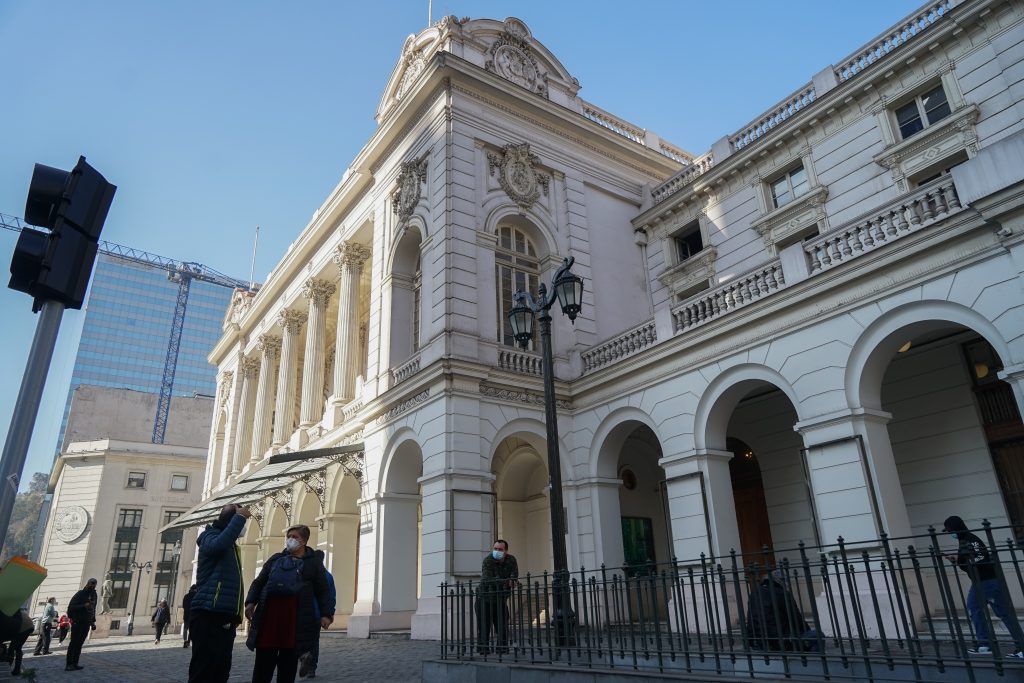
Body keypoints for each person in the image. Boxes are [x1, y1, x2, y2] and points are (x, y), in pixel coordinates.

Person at [245, 524, 333, 683]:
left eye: (295, 537)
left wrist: (326, 614)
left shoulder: (313, 564)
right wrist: (250, 602)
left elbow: (323, 590)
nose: (291, 540)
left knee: (287, 668)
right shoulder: (276, 559)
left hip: (294, 621)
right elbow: (259, 582)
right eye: (289, 536)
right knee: (262, 667)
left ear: (304, 541)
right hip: (269, 619)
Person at [943, 515, 1024, 657]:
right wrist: (957, 560)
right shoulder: (964, 540)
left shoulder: (970, 539)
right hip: (980, 582)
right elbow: (969, 560)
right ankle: (985, 644)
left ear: (956, 528)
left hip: (987, 581)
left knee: (1003, 613)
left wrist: (963, 561)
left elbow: (980, 558)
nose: (950, 534)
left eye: (950, 531)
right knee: (975, 609)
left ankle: (1016, 646)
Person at [188, 503, 251, 683]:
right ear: (231, 522)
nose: (243, 528)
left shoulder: (230, 544)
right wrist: (239, 518)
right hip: (208, 613)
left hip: (224, 615)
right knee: (204, 668)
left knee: (221, 668)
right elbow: (217, 546)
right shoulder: (209, 536)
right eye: (241, 522)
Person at [745, 568, 819, 652]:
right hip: (781, 641)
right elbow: (796, 618)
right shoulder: (782, 594)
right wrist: (806, 632)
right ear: (781, 581)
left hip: (758, 642)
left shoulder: (754, 594)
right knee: (817, 635)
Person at [298, 552, 336, 679]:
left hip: (305, 612)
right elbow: (331, 597)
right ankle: (312, 668)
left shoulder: (308, 574)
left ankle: (302, 655)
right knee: (314, 641)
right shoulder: (328, 576)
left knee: (299, 637)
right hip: (319, 614)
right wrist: (329, 614)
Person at [476, 539, 518, 654]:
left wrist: (511, 581)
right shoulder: (488, 560)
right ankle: (483, 649)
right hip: (484, 598)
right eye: (495, 549)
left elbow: (514, 576)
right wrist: (506, 582)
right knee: (484, 626)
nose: (497, 551)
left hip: (501, 599)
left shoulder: (511, 560)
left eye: (500, 549)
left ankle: (502, 648)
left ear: (506, 551)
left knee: (503, 625)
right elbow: (487, 580)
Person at [65, 578, 98, 671]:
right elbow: (71, 607)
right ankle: (69, 664)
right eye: (91, 583)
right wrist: (83, 606)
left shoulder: (94, 595)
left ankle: (75, 663)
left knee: (79, 644)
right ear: (87, 584)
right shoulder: (80, 594)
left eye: (94, 584)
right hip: (78, 621)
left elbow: (93, 609)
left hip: (86, 622)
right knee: (73, 643)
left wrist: (92, 622)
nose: (93, 585)